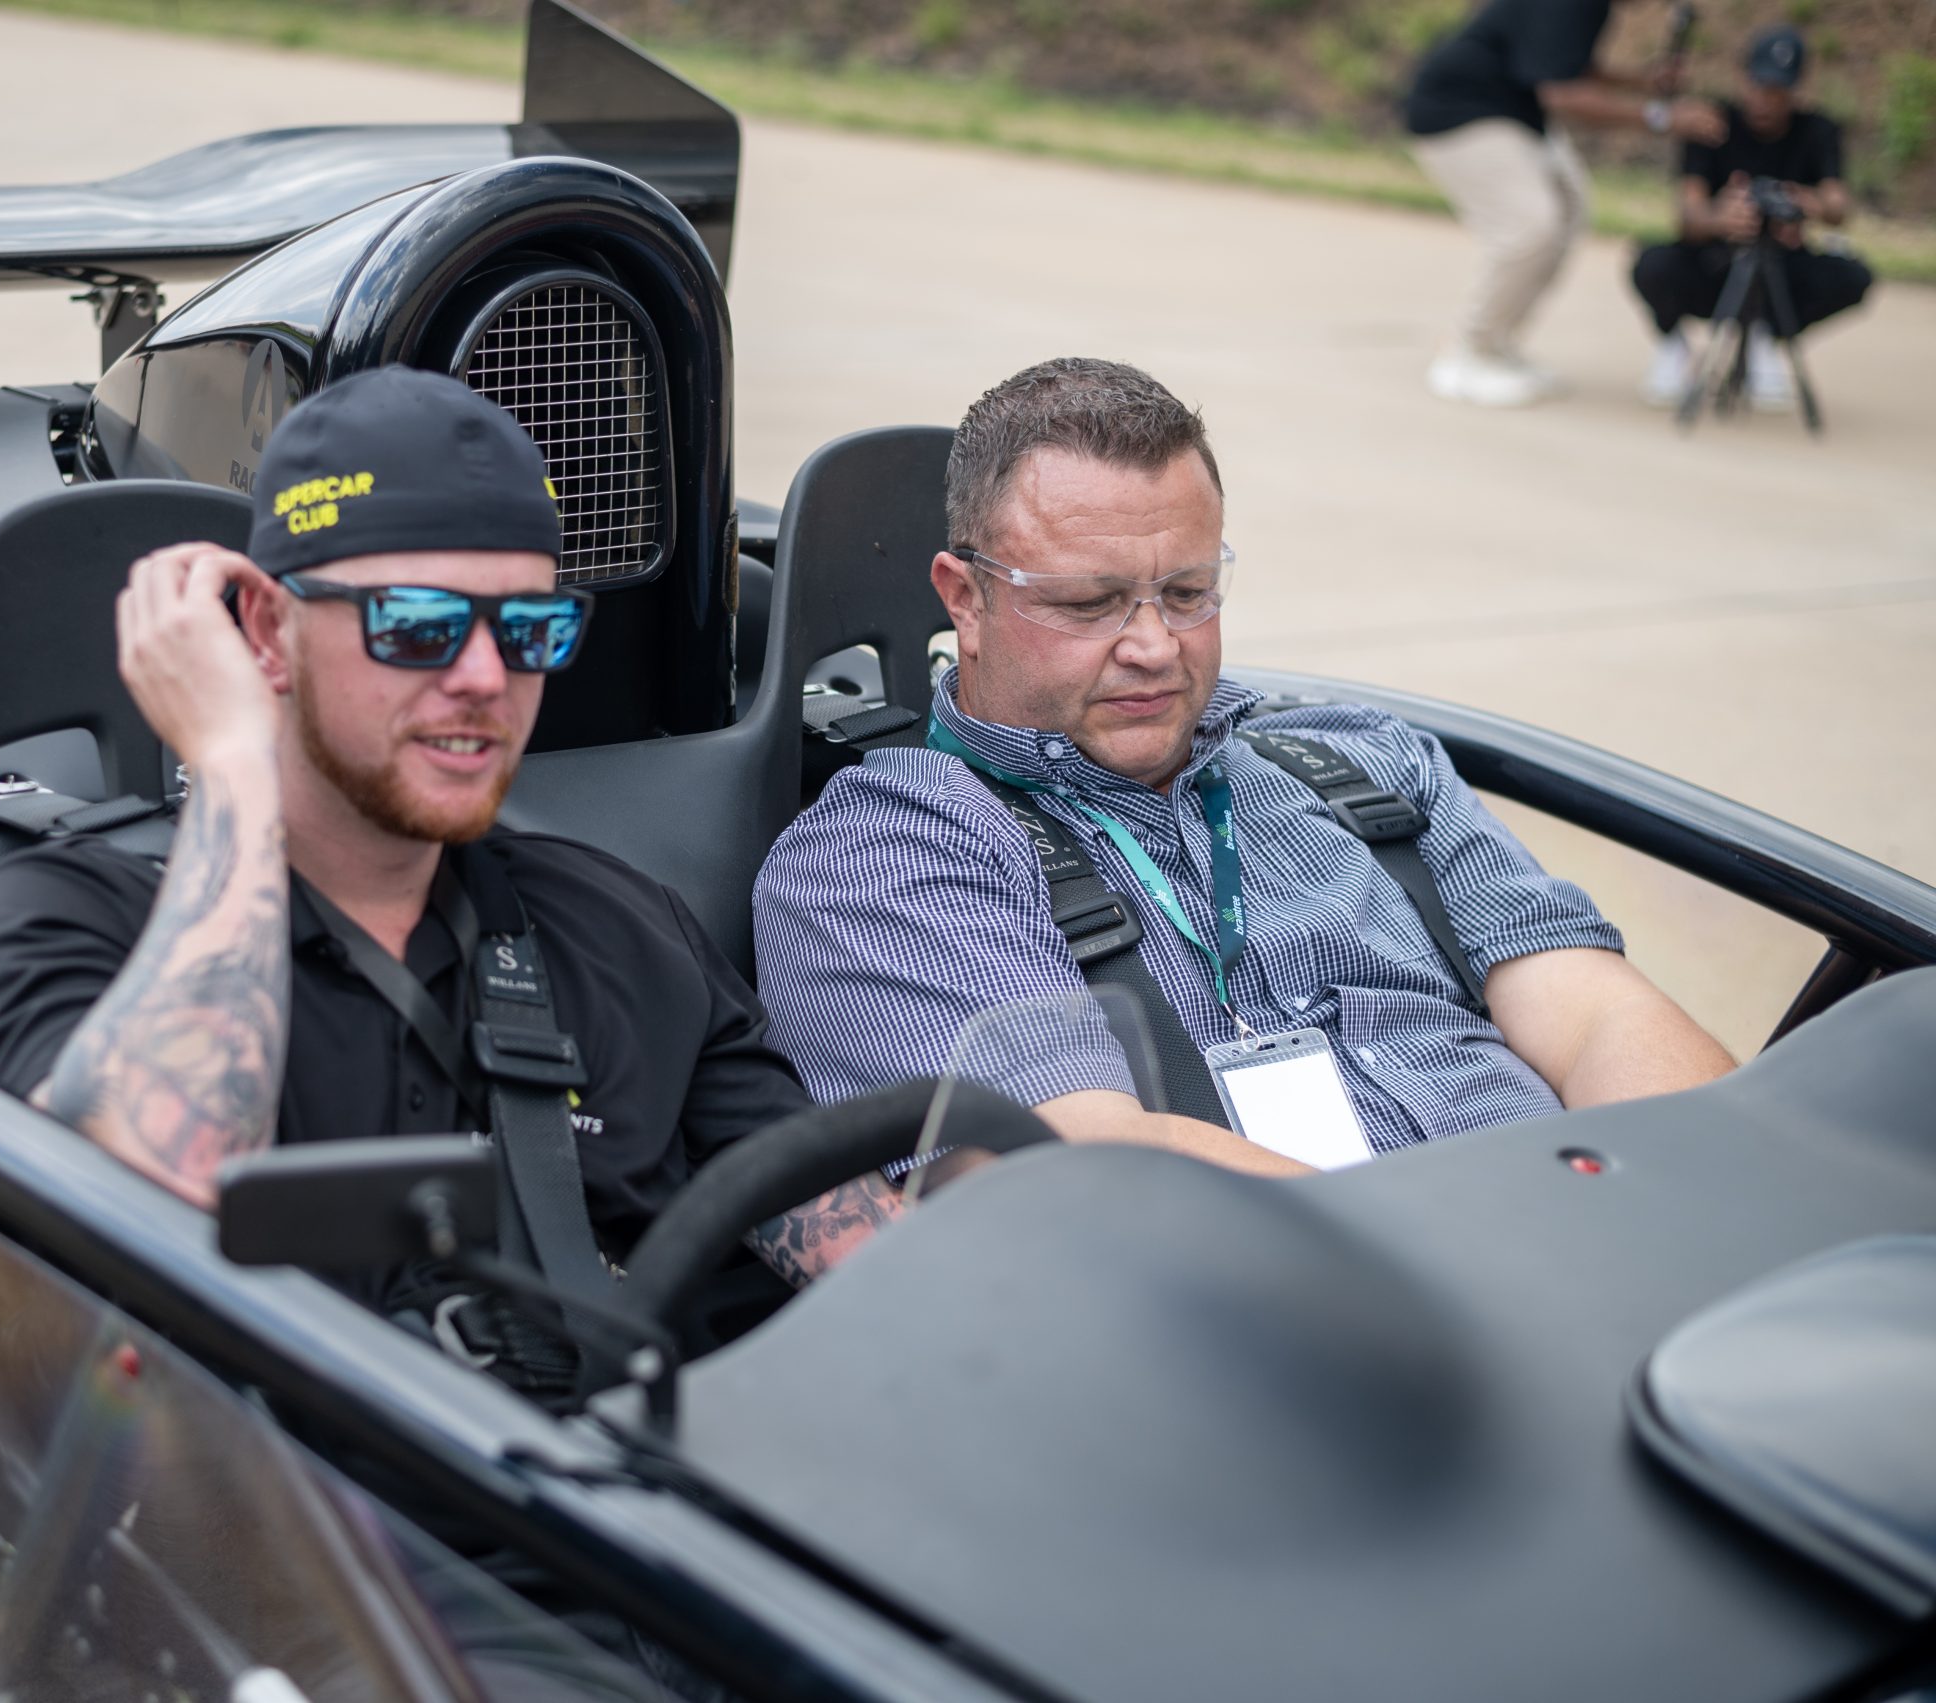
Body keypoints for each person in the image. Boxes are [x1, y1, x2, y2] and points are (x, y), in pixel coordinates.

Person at [0, 366, 897, 1353]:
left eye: (529, 629)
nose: (485, 678)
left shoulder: (623, 931)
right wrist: (231, 762)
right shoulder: (68, 918)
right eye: (416, 626)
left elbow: (881, 1279)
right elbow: (133, 1234)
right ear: (269, 633)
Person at [753, 357, 1736, 1176]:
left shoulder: (1366, 765)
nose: (1153, 645)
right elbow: (1083, 1169)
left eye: (1187, 591)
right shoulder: (886, 854)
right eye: (1089, 603)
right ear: (962, 598)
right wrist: (1497, 1257)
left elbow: (1600, 1014)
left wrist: (1654, 1202)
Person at [1403, 0, 1726, 407]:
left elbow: (1560, 64)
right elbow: (1562, 94)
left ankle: (1497, 345)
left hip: (1510, 116)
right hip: (1458, 114)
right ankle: (1466, 354)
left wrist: (1640, 82)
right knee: (1531, 226)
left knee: (1567, 215)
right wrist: (1661, 117)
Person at [1632, 26, 1871, 410]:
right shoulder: (1712, 123)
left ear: (1796, 89)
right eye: (1759, 86)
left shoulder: (1817, 131)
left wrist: (1801, 202)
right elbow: (1687, 214)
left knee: (1852, 276)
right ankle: (1673, 347)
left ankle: (1767, 340)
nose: (1765, 100)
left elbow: (1839, 206)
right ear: (1742, 77)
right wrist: (1720, 219)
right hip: (1714, 262)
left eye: (1778, 91)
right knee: (1652, 262)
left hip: (1781, 264)